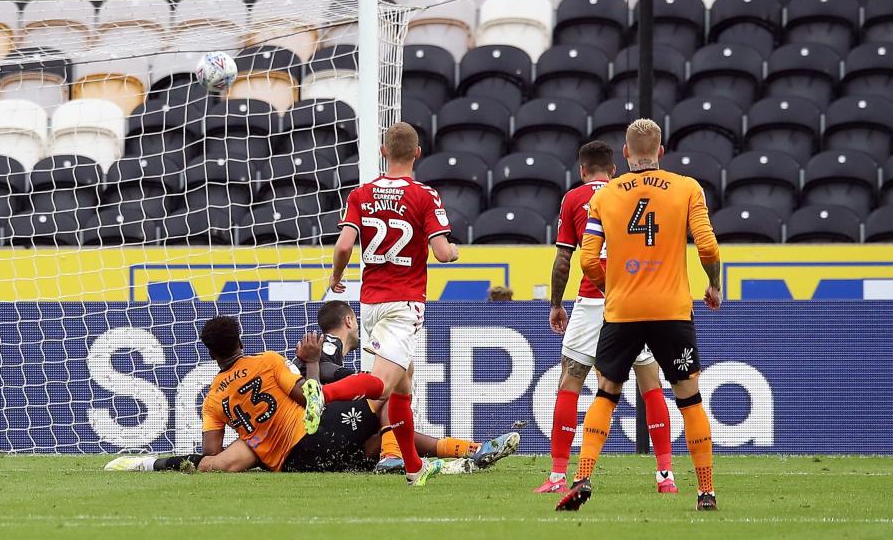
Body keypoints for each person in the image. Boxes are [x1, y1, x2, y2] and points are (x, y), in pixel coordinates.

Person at [555, 119, 722, 513]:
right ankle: (705, 491)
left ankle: (582, 476)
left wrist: (611, 287)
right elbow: (709, 246)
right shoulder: (687, 188)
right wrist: (713, 284)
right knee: (689, 396)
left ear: (626, 154)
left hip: (623, 309)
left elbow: (588, 258)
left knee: (606, 392)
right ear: (660, 152)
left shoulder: (605, 196)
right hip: (671, 310)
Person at [317, 121, 460, 486]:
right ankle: (321, 393)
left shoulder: (361, 194)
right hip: (403, 304)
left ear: (383, 152)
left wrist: (336, 277)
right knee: (381, 384)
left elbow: (345, 246)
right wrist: (454, 250)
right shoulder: (425, 195)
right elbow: (442, 253)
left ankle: (413, 468)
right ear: (417, 153)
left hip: (370, 303)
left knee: (403, 386)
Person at [536, 141, 676, 495]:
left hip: (591, 300)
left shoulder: (574, 199)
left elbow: (565, 259)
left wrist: (555, 303)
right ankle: (665, 476)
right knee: (650, 384)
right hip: (633, 299)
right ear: (614, 169)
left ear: (582, 170)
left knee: (571, 381)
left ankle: (556, 477)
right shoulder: (629, 193)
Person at [104, 316, 382, 475]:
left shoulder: (213, 398)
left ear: (212, 354)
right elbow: (310, 401)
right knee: (384, 392)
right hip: (317, 435)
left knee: (366, 451)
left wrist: (254, 439)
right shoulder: (268, 362)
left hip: (291, 464)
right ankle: (403, 454)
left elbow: (211, 453)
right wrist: (311, 362)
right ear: (240, 342)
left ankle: (151, 464)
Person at [294, 300, 520, 474]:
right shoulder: (330, 342)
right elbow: (321, 369)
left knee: (387, 432)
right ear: (349, 321)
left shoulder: (330, 348)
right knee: (389, 387)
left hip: (326, 445)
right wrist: (358, 379)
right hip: (314, 426)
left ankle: (472, 450)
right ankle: (392, 456)